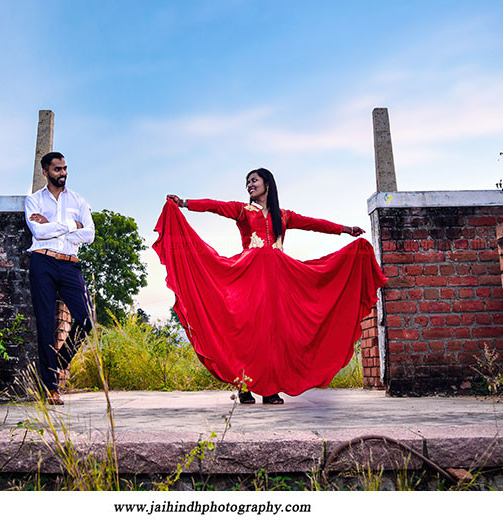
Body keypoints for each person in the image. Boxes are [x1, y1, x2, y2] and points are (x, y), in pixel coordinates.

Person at [158, 167, 385, 405]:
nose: (249, 185)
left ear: (267, 184)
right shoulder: (242, 211)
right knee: (248, 331)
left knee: (274, 334)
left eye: (254, 180)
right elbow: (214, 206)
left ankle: (270, 390)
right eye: (247, 182)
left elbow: (313, 223)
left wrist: (345, 230)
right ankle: (244, 385)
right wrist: (184, 203)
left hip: (278, 280)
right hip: (249, 278)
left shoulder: (283, 215)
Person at [24, 151, 96, 405]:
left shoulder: (78, 200)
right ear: (45, 171)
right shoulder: (33, 201)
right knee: (45, 323)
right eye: (57, 169)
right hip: (42, 261)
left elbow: (89, 235)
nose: (62, 174)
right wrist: (69, 225)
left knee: (87, 319)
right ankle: (50, 388)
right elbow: (38, 232)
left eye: (65, 169)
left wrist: (54, 224)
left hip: (69, 265)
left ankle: (58, 364)